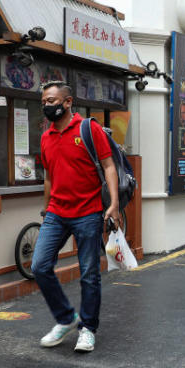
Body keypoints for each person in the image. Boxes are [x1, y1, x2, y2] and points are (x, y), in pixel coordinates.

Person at [32, 81, 121, 353]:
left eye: (52, 101)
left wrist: (114, 204)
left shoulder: (89, 129)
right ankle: (66, 318)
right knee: (39, 266)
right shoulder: (46, 137)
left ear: (68, 102)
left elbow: (109, 166)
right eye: (44, 102)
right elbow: (48, 176)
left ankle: (88, 329)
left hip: (88, 212)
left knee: (89, 275)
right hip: (57, 213)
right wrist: (46, 207)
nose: (47, 106)